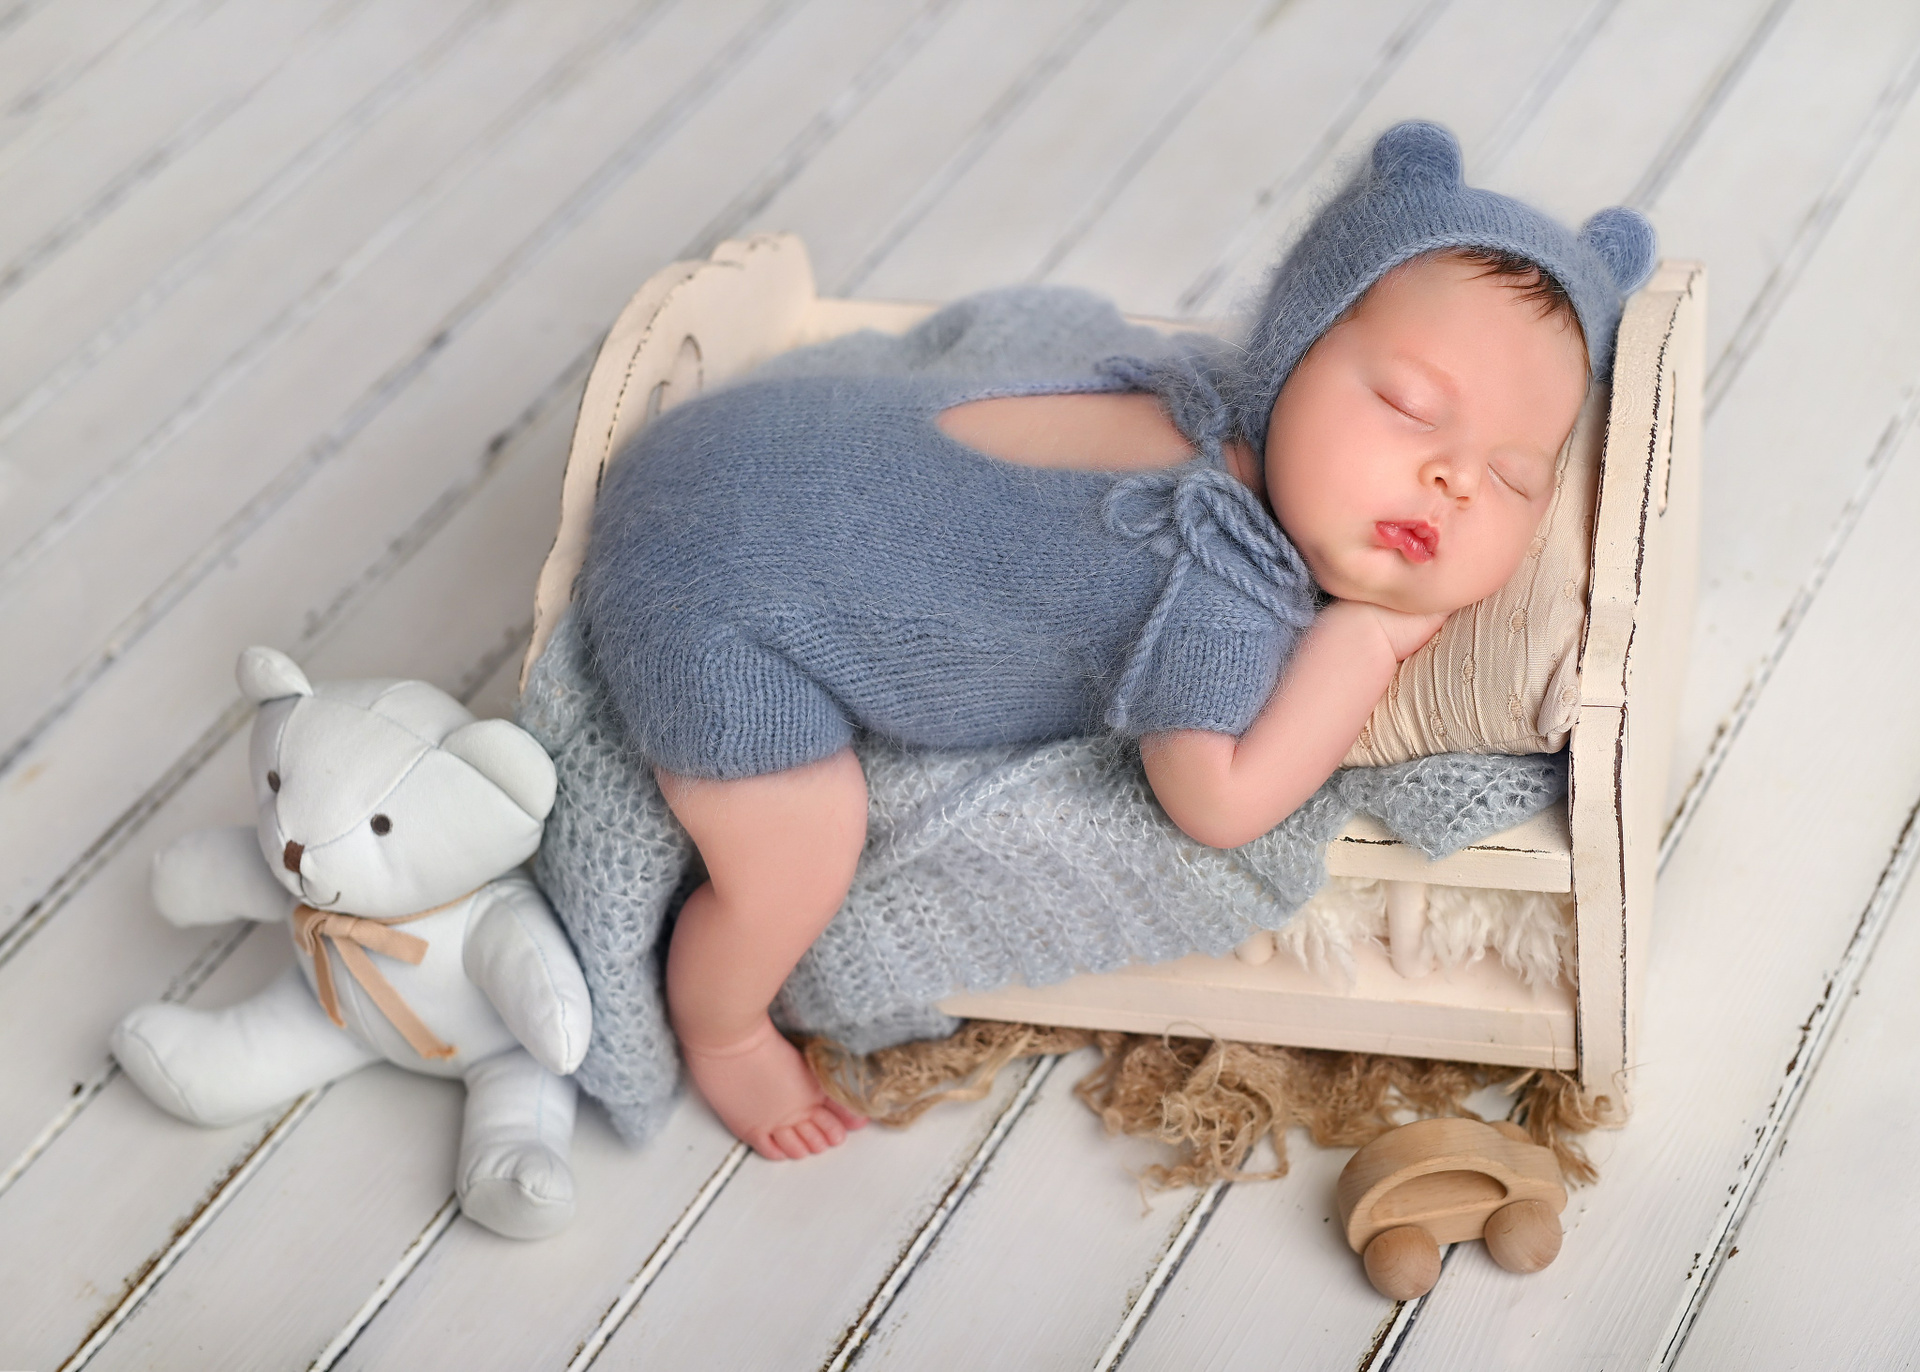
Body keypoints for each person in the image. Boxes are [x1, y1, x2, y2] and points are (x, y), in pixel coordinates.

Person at [577, 121, 1655, 1160]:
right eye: (1410, 406)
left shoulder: (1193, 410)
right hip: (719, 610)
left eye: (1513, 477)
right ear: (1289, 358)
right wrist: (1366, 642)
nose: (1455, 478)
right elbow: (1217, 804)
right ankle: (724, 1028)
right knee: (800, 848)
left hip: (731, 442)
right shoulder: (1215, 578)